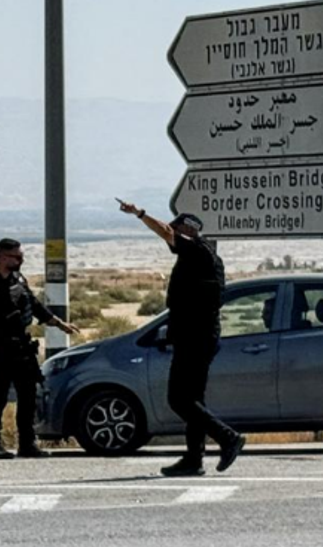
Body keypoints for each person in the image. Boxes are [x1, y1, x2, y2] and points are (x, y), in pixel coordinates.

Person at [116, 201, 246, 476]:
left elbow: (165, 231)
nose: (171, 235)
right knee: (194, 399)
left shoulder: (197, 250)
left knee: (179, 399)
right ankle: (194, 459)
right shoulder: (205, 257)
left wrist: (140, 214)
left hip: (195, 338)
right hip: (200, 336)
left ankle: (228, 437)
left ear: (188, 230)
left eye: (177, 229)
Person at [0, 238, 80, 459]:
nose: (21, 260)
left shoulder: (19, 280)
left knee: (28, 396)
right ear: (2, 257)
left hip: (22, 348)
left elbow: (36, 306)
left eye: (21, 256)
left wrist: (60, 324)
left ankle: (27, 443)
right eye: (16, 257)